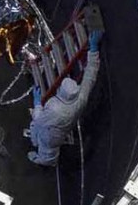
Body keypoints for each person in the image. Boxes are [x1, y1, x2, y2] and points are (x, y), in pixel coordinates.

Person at [27, 30, 101, 166]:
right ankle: (47, 157)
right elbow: (90, 76)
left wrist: (37, 103)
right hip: (62, 131)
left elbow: (39, 120)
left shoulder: (55, 107)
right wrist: (94, 49)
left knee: (42, 142)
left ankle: (40, 156)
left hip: (50, 133)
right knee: (51, 148)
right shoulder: (81, 99)